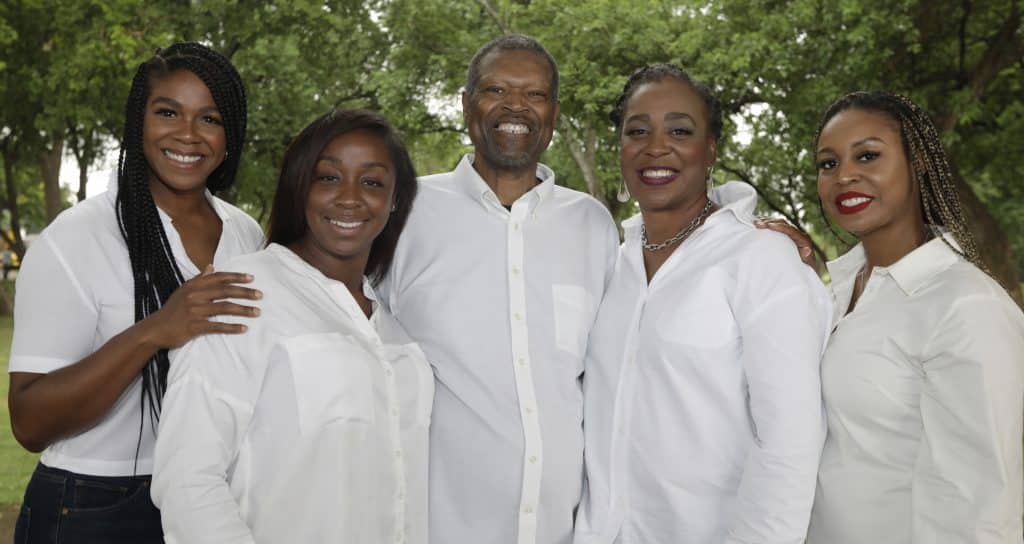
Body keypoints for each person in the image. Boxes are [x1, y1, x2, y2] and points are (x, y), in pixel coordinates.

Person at [8, 42, 262, 543]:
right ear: (137, 122)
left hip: (213, 498)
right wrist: (154, 332)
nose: (188, 134)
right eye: (168, 112)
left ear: (229, 134)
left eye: (209, 118)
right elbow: (29, 421)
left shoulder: (246, 235)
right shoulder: (76, 239)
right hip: (94, 503)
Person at [573, 63, 832, 543]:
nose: (656, 147)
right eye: (637, 131)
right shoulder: (611, 263)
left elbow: (790, 443)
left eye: (679, 130)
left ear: (710, 148)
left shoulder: (760, 257)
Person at [378, 34, 619, 544]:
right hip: (437, 527)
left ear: (553, 112)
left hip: (562, 528)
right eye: (496, 90)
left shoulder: (593, 225)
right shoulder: (406, 213)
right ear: (467, 106)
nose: (516, 106)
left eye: (534, 95)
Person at [152, 108, 431, 544]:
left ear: (395, 200)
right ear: (301, 186)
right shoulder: (242, 292)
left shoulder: (391, 327)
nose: (350, 198)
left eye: (373, 182)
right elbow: (188, 480)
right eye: (329, 177)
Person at [802, 91, 1024, 542]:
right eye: (829, 164)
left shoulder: (966, 306)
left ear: (918, 161)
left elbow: (980, 508)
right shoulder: (836, 291)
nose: (845, 175)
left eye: (867, 156)